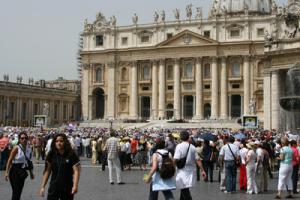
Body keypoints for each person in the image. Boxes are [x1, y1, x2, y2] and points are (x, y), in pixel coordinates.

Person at [40, 133, 81, 200]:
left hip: (67, 187)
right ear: (54, 142)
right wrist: (42, 187)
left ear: (65, 142)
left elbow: (76, 171)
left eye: (61, 141)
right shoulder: (51, 154)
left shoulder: (71, 154)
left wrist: (75, 186)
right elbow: (47, 171)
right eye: (57, 141)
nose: (59, 143)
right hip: (54, 186)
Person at [173, 130, 206, 200]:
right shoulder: (192, 147)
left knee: (185, 190)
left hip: (182, 171)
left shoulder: (179, 146)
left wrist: (171, 167)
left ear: (180, 138)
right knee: (184, 189)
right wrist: (202, 170)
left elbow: (176, 158)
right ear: (188, 137)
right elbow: (198, 160)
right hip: (190, 171)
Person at [5, 131, 34, 200]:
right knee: (16, 192)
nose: (24, 140)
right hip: (14, 171)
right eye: (22, 138)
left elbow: (28, 162)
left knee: (19, 192)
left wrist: (31, 173)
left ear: (27, 139)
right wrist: (6, 172)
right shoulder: (16, 148)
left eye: (25, 138)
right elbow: (9, 160)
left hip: (22, 171)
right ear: (19, 139)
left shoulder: (28, 149)